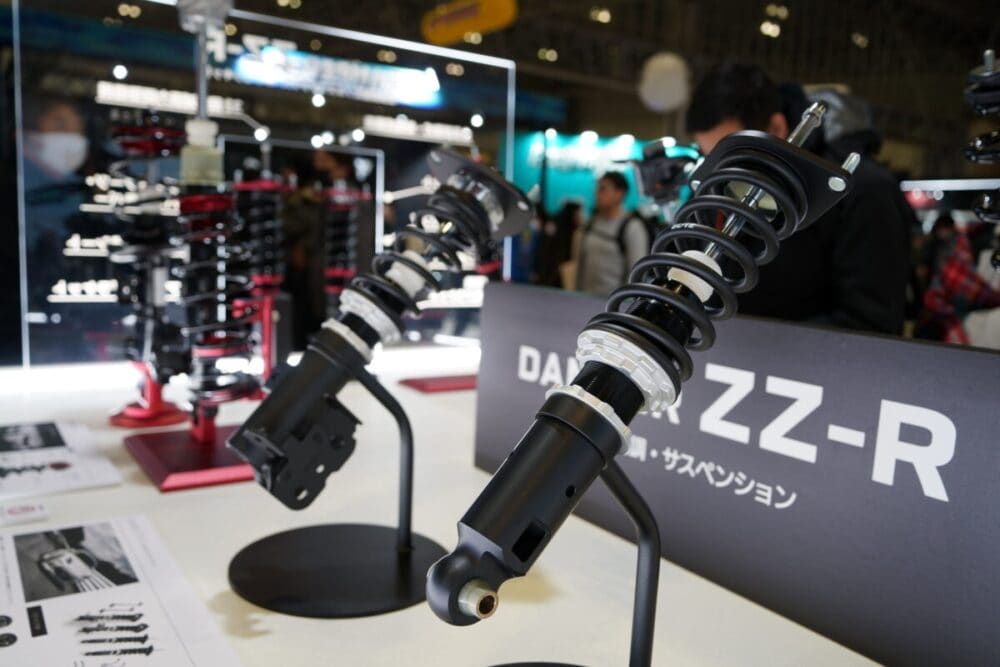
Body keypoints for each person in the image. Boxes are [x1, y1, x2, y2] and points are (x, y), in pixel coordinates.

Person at [686, 63, 912, 335]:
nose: (722, 172)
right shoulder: (716, 190)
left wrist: (759, 341)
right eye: (709, 157)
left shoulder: (862, 192)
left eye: (733, 155)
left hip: (814, 359)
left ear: (776, 127)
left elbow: (872, 322)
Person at [575, 172, 649, 297]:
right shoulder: (591, 223)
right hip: (584, 298)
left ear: (619, 194)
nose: (597, 194)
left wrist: (625, 303)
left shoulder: (632, 227)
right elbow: (580, 266)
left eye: (603, 189)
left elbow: (637, 273)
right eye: (597, 189)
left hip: (613, 302)